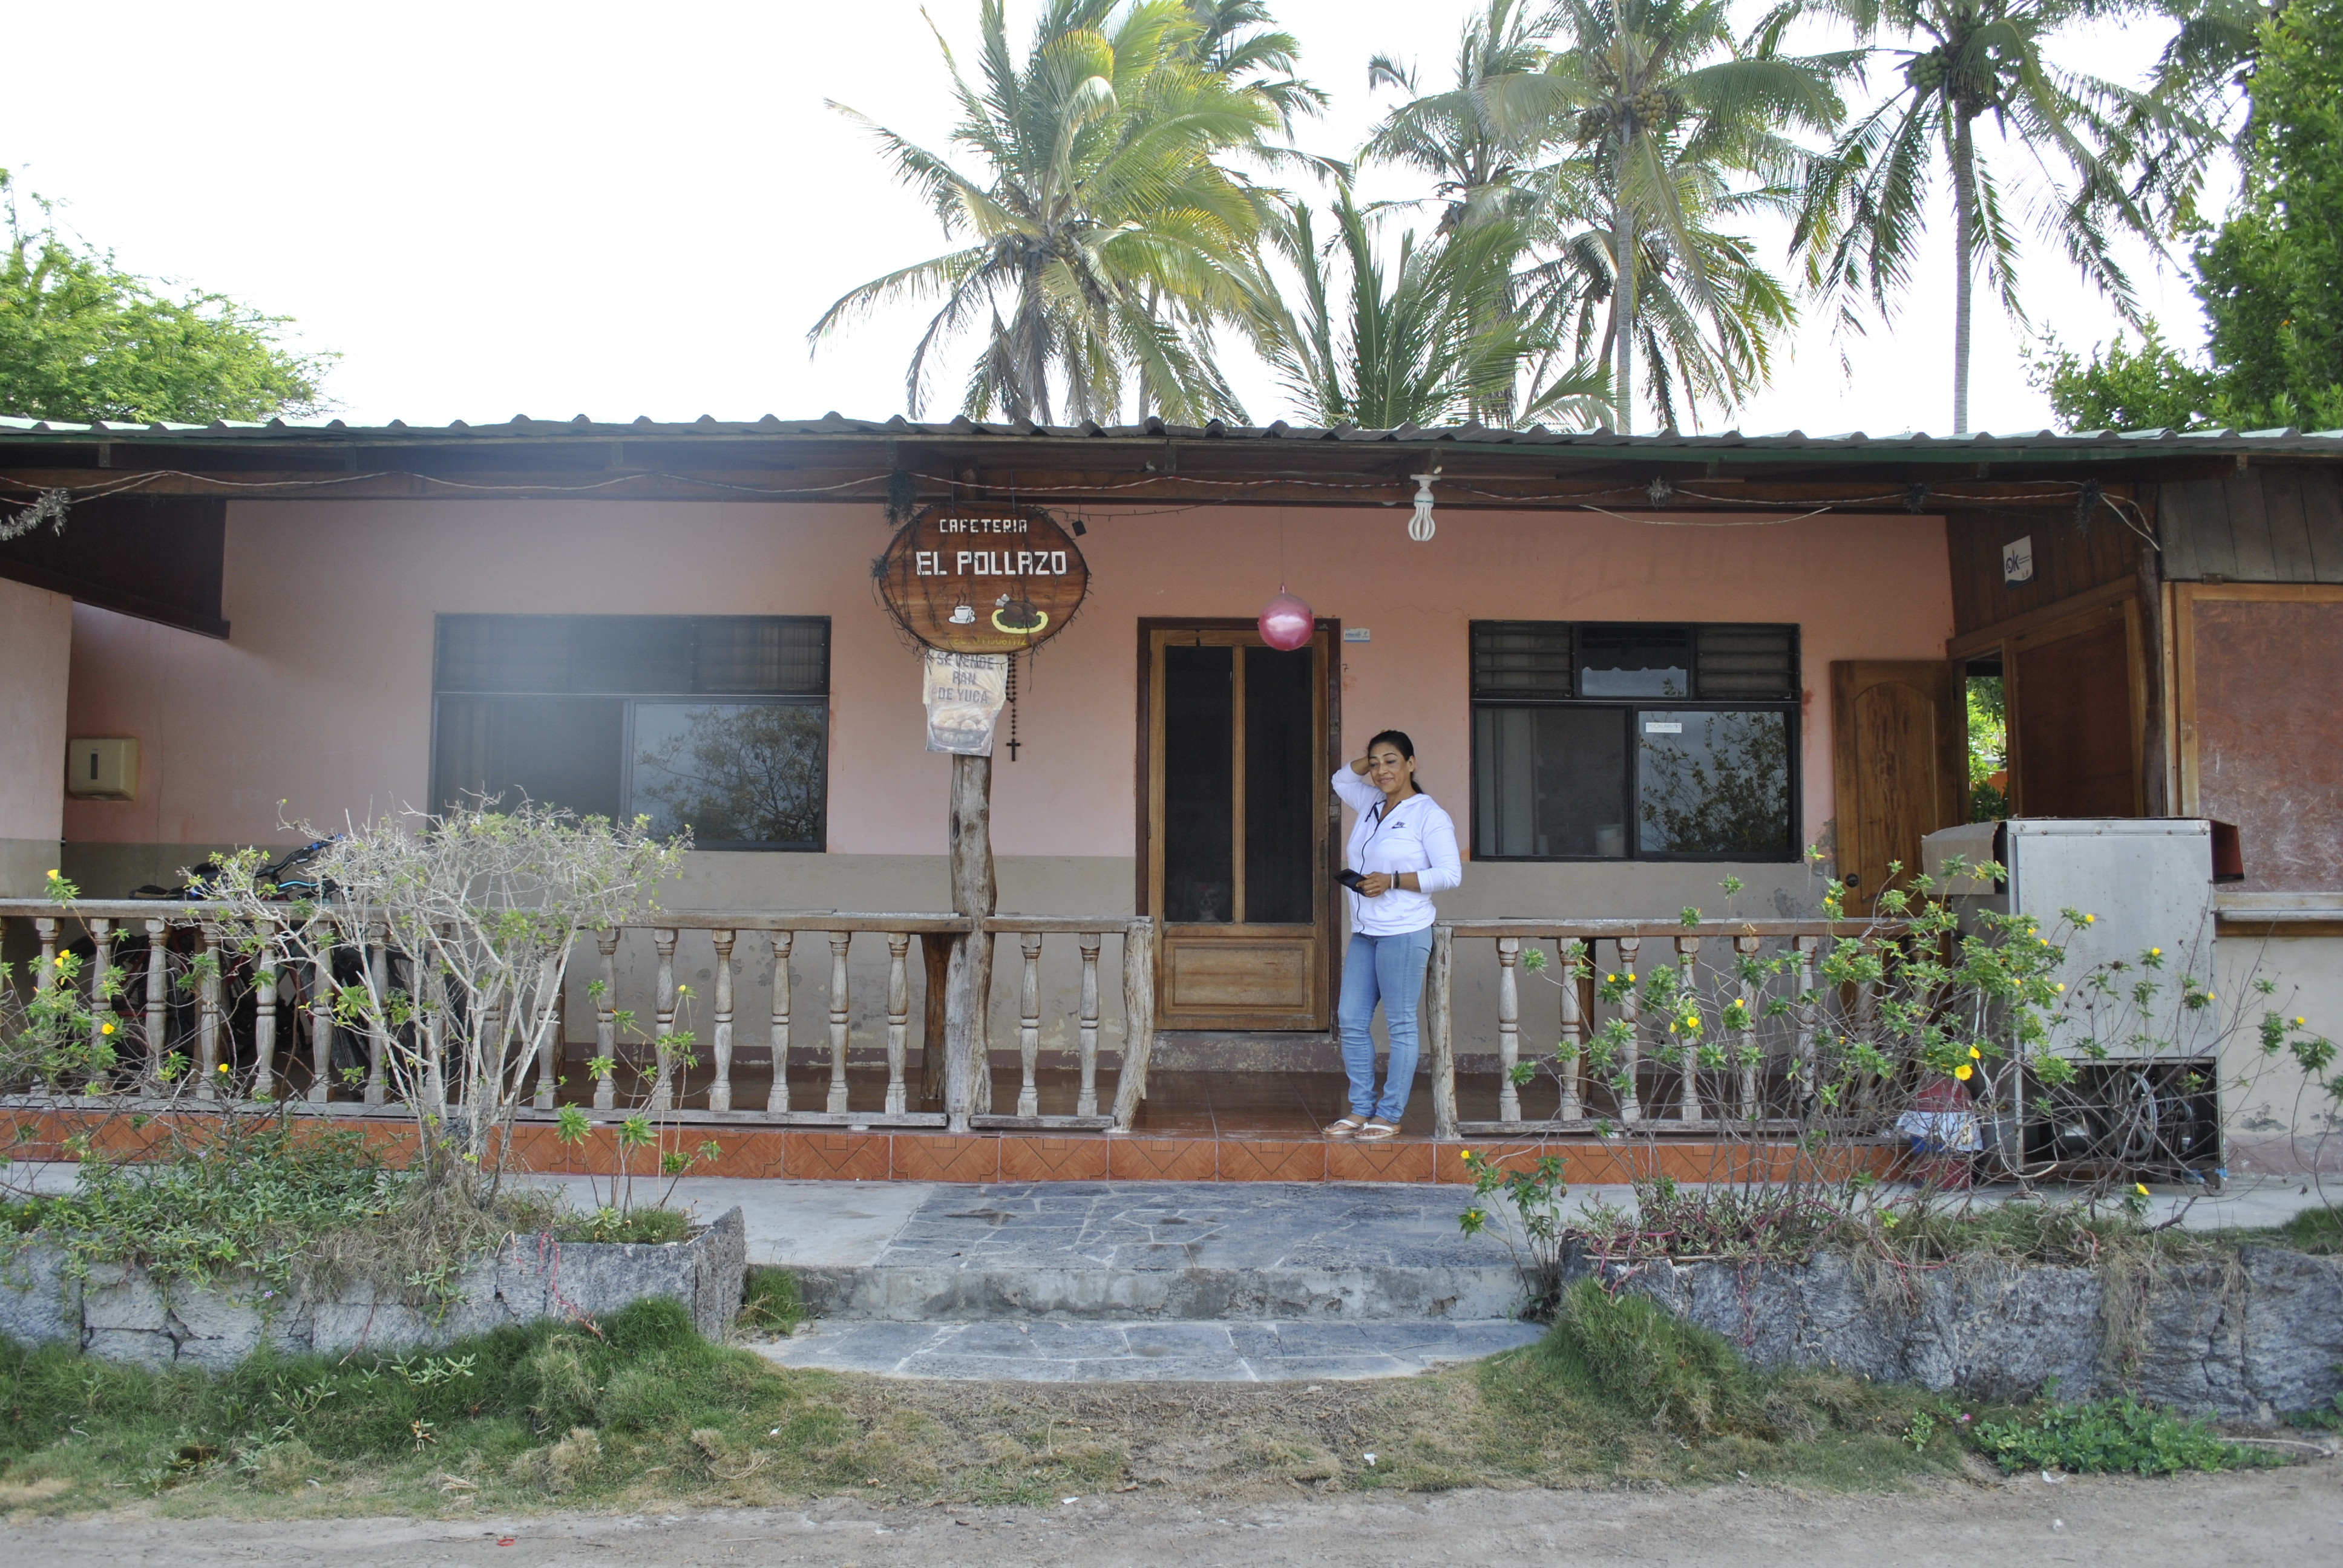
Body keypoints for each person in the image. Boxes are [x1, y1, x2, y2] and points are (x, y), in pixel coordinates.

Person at [1325, 730, 1461, 1141]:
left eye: (1393, 761)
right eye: (1376, 763)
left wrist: (1394, 880)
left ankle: (1389, 1113)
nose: (1383, 771)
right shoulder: (1370, 804)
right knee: (1350, 1019)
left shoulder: (1428, 815)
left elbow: (1450, 875)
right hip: (1366, 932)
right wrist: (1370, 761)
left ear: (1411, 764)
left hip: (1404, 933)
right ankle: (1361, 1108)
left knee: (1400, 1025)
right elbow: (1340, 780)